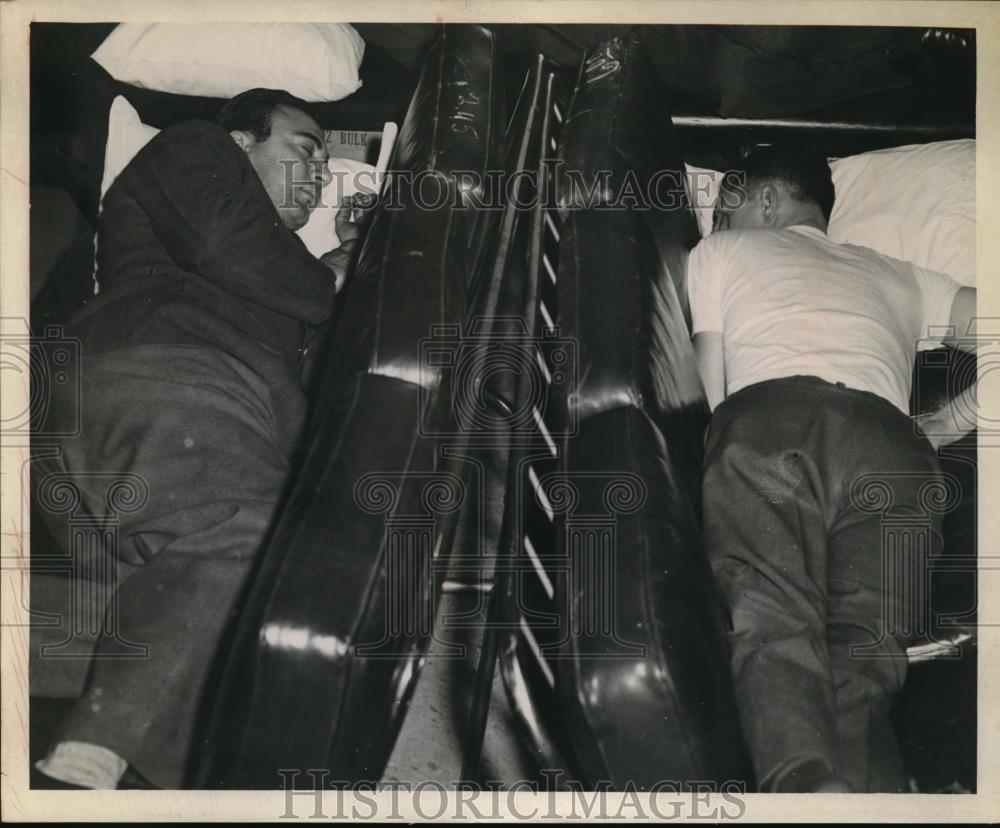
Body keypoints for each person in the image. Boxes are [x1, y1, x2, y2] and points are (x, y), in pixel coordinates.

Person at [32, 88, 365, 789]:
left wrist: (353, 265)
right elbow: (220, 236)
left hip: (166, 443)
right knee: (265, 534)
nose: (318, 175)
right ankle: (90, 758)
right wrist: (330, 283)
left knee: (217, 629)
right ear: (243, 140)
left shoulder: (287, 273)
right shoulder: (192, 145)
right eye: (303, 150)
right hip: (164, 374)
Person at [686, 146, 976, 793]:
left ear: (764, 201)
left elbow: (710, 393)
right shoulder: (898, 273)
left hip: (772, 423)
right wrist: (950, 422)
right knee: (868, 655)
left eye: (725, 210)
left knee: (773, 617)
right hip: (895, 452)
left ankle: (803, 787)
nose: (717, 224)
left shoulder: (722, 254)